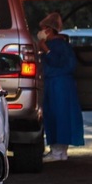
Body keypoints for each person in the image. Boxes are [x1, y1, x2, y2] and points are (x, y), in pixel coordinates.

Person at [37, 12, 84, 162]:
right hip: (58, 84)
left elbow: (61, 63)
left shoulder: (59, 46)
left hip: (59, 84)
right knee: (58, 115)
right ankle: (60, 151)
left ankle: (58, 151)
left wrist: (45, 49)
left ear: (49, 30)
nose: (41, 32)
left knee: (58, 116)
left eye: (44, 28)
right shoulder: (59, 45)